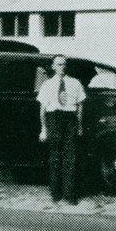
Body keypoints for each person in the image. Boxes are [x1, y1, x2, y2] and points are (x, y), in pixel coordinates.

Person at [37, 55, 86, 204]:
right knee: (55, 157)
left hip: (70, 120)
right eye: (58, 64)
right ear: (53, 66)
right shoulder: (47, 85)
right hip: (54, 119)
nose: (62, 67)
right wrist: (43, 129)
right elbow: (42, 110)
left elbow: (80, 107)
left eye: (64, 64)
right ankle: (56, 193)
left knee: (70, 158)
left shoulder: (75, 83)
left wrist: (79, 126)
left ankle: (69, 194)